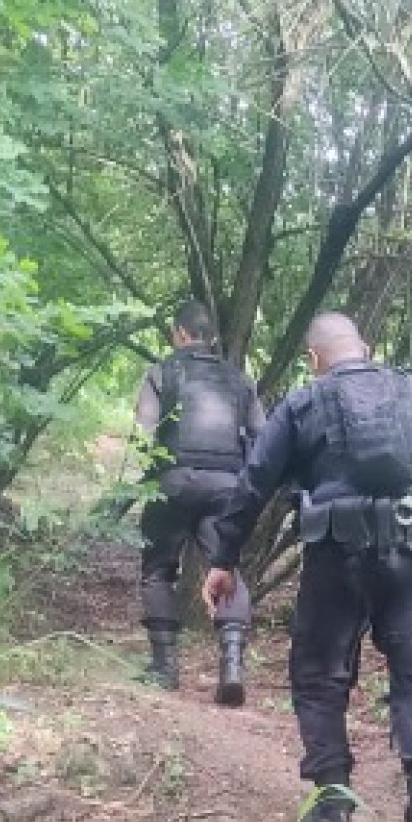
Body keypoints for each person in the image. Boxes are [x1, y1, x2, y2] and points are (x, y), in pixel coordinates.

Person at [202, 312, 412, 822]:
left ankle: (333, 805)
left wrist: (224, 559)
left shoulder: (303, 404)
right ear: (368, 347)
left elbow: (254, 482)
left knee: (318, 674)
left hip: (336, 557)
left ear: (314, 359)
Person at [133, 301, 263, 703]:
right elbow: (261, 436)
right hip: (226, 487)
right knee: (225, 568)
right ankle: (232, 666)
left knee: (158, 569)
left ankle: (165, 666)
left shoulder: (161, 372)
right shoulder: (241, 381)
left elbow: (143, 436)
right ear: (211, 337)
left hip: (173, 482)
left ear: (179, 334)